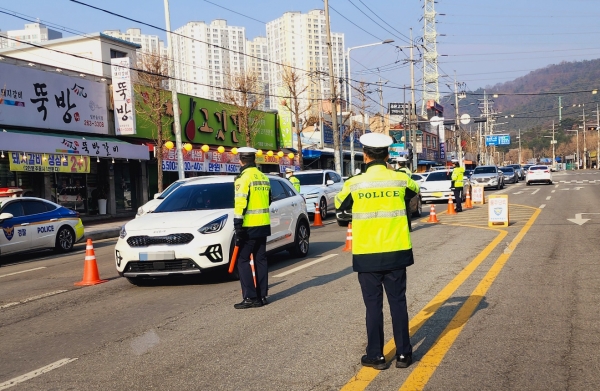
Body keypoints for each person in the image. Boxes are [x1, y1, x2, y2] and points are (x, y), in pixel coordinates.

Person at [335, 133, 420, 370]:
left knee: (373, 306)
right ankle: (404, 355)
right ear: (387, 155)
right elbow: (414, 190)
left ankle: (376, 356)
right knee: (398, 303)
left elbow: (340, 205)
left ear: (365, 155)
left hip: (368, 254)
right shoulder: (400, 180)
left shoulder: (354, 183)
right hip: (396, 250)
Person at [233, 147, 271, 309]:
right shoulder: (263, 177)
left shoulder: (243, 178)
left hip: (249, 226)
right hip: (263, 223)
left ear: (241, 160)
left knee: (242, 260)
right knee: (260, 260)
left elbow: (240, 202)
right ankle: (262, 296)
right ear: (254, 160)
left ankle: (250, 297)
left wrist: (238, 225)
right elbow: (269, 200)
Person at [395, 157, 414, 231]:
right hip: (407, 191)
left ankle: (402, 226)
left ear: (398, 163)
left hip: (400, 191)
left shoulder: (399, 172)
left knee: (400, 210)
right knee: (407, 209)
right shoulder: (408, 171)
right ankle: (409, 227)